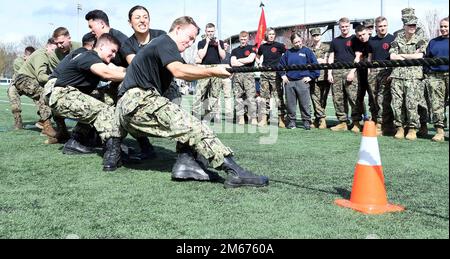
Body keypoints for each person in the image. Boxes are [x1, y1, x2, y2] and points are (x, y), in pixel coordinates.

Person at [116, 16, 269, 188]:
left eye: (193, 40)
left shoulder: (162, 48)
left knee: (184, 124)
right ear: (178, 28)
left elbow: (187, 70)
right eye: (189, 38)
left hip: (126, 112)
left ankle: (186, 164)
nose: (190, 43)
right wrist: (214, 71)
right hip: (139, 102)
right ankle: (234, 172)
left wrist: (215, 68)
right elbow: (180, 71)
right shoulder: (165, 42)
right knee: (197, 126)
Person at [48, 33, 126, 171]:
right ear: (101, 46)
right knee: (103, 109)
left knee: (105, 99)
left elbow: (117, 69)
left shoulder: (97, 59)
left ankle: (75, 141)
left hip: (71, 95)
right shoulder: (89, 56)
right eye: (112, 51)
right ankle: (113, 149)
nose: (114, 55)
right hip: (63, 96)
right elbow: (107, 74)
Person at [43, 32, 97, 146]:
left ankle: (63, 133)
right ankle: (78, 138)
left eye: (61, 42)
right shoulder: (87, 54)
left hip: (53, 86)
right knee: (97, 101)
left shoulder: (77, 51)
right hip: (57, 86)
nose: (60, 46)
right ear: (93, 45)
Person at [390, 16, 428, 141]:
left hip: (413, 76)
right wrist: (409, 56)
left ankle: (412, 128)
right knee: (397, 103)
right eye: (410, 25)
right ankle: (400, 127)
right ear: (404, 26)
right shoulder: (397, 39)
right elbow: (392, 56)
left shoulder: (420, 39)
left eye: (414, 25)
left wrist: (401, 55)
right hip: (397, 75)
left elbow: (420, 55)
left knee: (411, 103)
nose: (412, 27)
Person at [14, 38, 58, 138]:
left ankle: (43, 123)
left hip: (32, 80)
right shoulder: (41, 54)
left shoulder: (50, 56)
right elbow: (41, 76)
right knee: (44, 93)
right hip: (23, 79)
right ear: (48, 46)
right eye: (54, 49)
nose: (55, 53)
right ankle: (46, 125)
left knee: (48, 96)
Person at [279, 32, 319, 130]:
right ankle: (291, 122)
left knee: (305, 103)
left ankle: (306, 122)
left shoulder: (308, 51)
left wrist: (311, 76)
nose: (298, 44)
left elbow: (316, 66)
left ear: (302, 40)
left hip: (303, 82)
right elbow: (280, 65)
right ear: (292, 43)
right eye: (296, 42)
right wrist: (283, 76)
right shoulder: (288, 53)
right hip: (289, 82)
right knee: (290, 104)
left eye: (299, 41)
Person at [328, 17, 360, 132]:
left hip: (350, 71)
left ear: (349, 26)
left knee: (353, 98)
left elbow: (358, 56)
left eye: (346, 26)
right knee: (338, 98)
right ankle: (342, 122)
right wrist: (329, 73)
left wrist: (352, 71)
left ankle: (356, 122)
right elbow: (331, 57)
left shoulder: (355, 39)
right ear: (339, 27)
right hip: (336, 71)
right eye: (342, 27)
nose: (344, 28)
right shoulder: (335, 41)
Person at [367, 16, 396, 136]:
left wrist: (392, 72)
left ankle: (384, 124)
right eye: (380, 26)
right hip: (373, 71)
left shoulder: (392, 39)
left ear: (387, 26)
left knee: (383, 99)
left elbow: (395, 57)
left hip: (387, 70)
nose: (382, 28)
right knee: (373, 98)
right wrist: (369, 70)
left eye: (384, 26)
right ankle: (376, 121)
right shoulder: (371, 41)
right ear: (376, 28)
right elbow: (369, 57)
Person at [192, 23, 226, 122]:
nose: (210, 33)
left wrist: (219, 45)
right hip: (204, 68)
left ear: (214, 31)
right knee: (201, 92)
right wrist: (207, 43)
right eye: (208, 31)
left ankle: (213, 115)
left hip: (216, 68)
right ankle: (195, 115)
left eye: (212, 31)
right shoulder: (201, 42)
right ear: (205, 32)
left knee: (215, 93)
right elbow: (201, 56)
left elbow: (223, 56)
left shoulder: (220, 42)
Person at [424, 17, 449, 142]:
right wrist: (427, 74)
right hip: (435, 76)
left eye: (446, 26)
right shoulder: (433, 42)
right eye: (442, 26)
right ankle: (440, 131)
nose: (443, 29)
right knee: (437, 104)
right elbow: (426, 58)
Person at [256, 27, 287, 128]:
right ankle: (264, 118)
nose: (271, 36)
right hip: (264, 73)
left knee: (278, 96)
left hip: (276, 74)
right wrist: (259, 64)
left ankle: (281, 118)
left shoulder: (280, 46)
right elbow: (257, 56)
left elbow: (287, 55)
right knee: (264, 97)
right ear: (266, 35)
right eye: (270, 34)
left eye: (273, 34)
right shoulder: (262, 46)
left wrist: (283, 67)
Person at [231, 31, 258, 125]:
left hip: (248, 75)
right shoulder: (234, 50)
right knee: (238, 97)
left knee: (250, 97)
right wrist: (244, 61)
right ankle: (240, 117)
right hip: (237, 76)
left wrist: (238, 60)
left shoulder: (252, 48)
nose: (243, 41)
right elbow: (233, 63)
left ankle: (253, 117)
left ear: (248, 39)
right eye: (241, 39)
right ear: (239, 39)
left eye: (245, 39)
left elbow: (251, 59)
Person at [8, 46, 36, 130]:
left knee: (41, 94)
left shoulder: (36, 60)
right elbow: (24, 75)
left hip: (32, 84)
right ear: (25, 56)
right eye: (29, 58)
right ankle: (18, 120)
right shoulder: (18, 61)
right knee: (11, 91)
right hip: (18, 84)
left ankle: (44, 120)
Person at [308, 28, 331, 129]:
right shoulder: (309, 49)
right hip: (313, 76)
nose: (316, 37)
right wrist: (318, 60)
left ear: (321, 35)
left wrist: (323, 60)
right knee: (315, 98)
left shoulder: (327, 47)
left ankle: (318, 119)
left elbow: (330, 59)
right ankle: (321, 119)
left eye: (317, 35)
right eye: (314, 35)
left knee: (323, 99)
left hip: (324, 76)